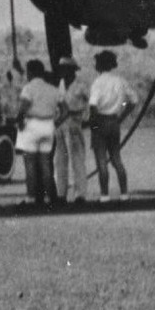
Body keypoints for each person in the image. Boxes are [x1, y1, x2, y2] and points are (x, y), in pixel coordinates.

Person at [88, 50, 140, 203]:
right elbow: (133, 100)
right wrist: (122, 117)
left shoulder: (98, 82)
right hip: (114, 122)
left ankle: (105, 195)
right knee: (117, 159)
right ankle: (124, 194)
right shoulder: (120, 81)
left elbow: (93, 104)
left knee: (101, 160)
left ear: (100, 65)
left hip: (101, 121)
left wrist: (92, 121)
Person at [15, 59, 62, 209]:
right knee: (46, 164)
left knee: (30, 164)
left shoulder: (28, 88)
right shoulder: (53, 89)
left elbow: (23, 107)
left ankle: (31, 198)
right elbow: (65, 109)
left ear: (31, 72)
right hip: (48, 125)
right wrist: (56, 122)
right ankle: (50, 198)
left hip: (32, 125)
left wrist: (19, 120)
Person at [54, 59, 91, 204]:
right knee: (60, 160)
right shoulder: (60, 86)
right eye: (62, 68)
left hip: (75, 122)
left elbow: (91, 101)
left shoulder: (81, 86)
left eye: (66, 68)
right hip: (60, 124)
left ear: (72, 70)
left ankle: (80, 194)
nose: (63, 71)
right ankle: (61, 193)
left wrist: (87, 118)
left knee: (77, 159)